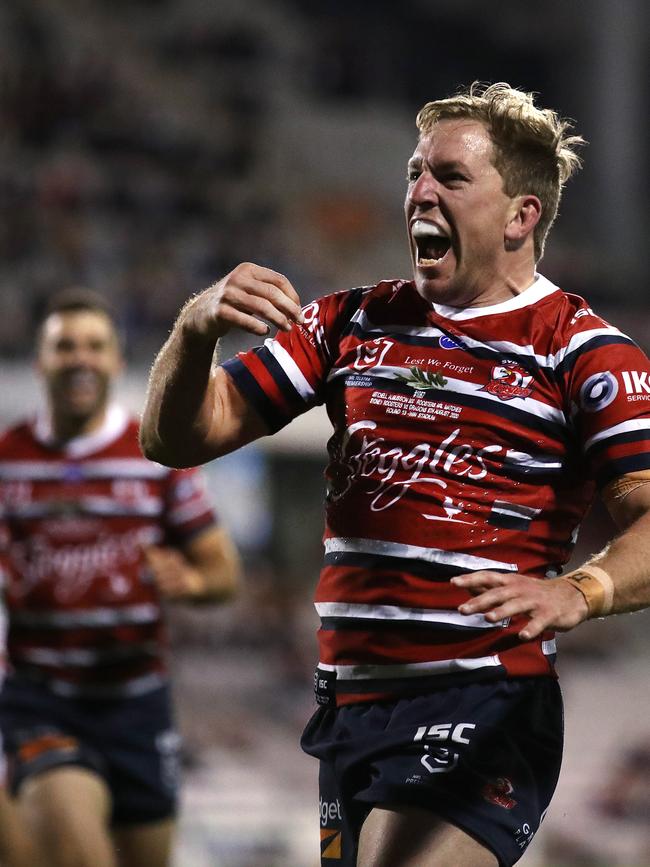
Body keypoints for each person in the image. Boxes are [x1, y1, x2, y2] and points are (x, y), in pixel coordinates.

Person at [139, 81, 650, 867]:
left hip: (483, 696)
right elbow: (178, 435)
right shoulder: (350, 322)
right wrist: (198, 323)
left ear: (521, 215)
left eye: (450, 177)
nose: (418, 192)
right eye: (414, 172)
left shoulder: (583, 352)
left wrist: (579, 590)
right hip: (350, 703)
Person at [0, 289, 240, 867]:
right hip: (43, 700)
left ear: (115, 359)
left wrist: (191, 582)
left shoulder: (154, 456)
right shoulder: (8, 460)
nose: (80, 358)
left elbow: (223, 574)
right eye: (65, 346)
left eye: (94, 346)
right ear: (40, 361)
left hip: (138, 703)